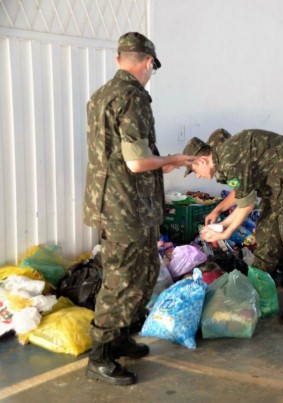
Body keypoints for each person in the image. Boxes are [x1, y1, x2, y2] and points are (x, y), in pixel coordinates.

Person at [83, 32, 195, 386]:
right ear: (148, 62)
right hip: (126, 207)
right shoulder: (132, 98)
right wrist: (174, 159)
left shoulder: (100, 95)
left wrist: (159, 162)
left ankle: (118, 337)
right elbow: (137, 162)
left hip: (112, 202)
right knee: (124, 277)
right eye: (152, 67)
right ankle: (100, 355)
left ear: (119, 59)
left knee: (141, 269)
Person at [183, 129, 283, 325]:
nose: (198, 177)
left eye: (194, 172)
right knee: (267, 230)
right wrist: (218, 211)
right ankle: (263, 281)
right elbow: (242, 190)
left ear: (202, 161)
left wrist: (226, 230)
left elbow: (247, 204)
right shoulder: (223, 155)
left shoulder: (228, 158)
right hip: (278, 180)